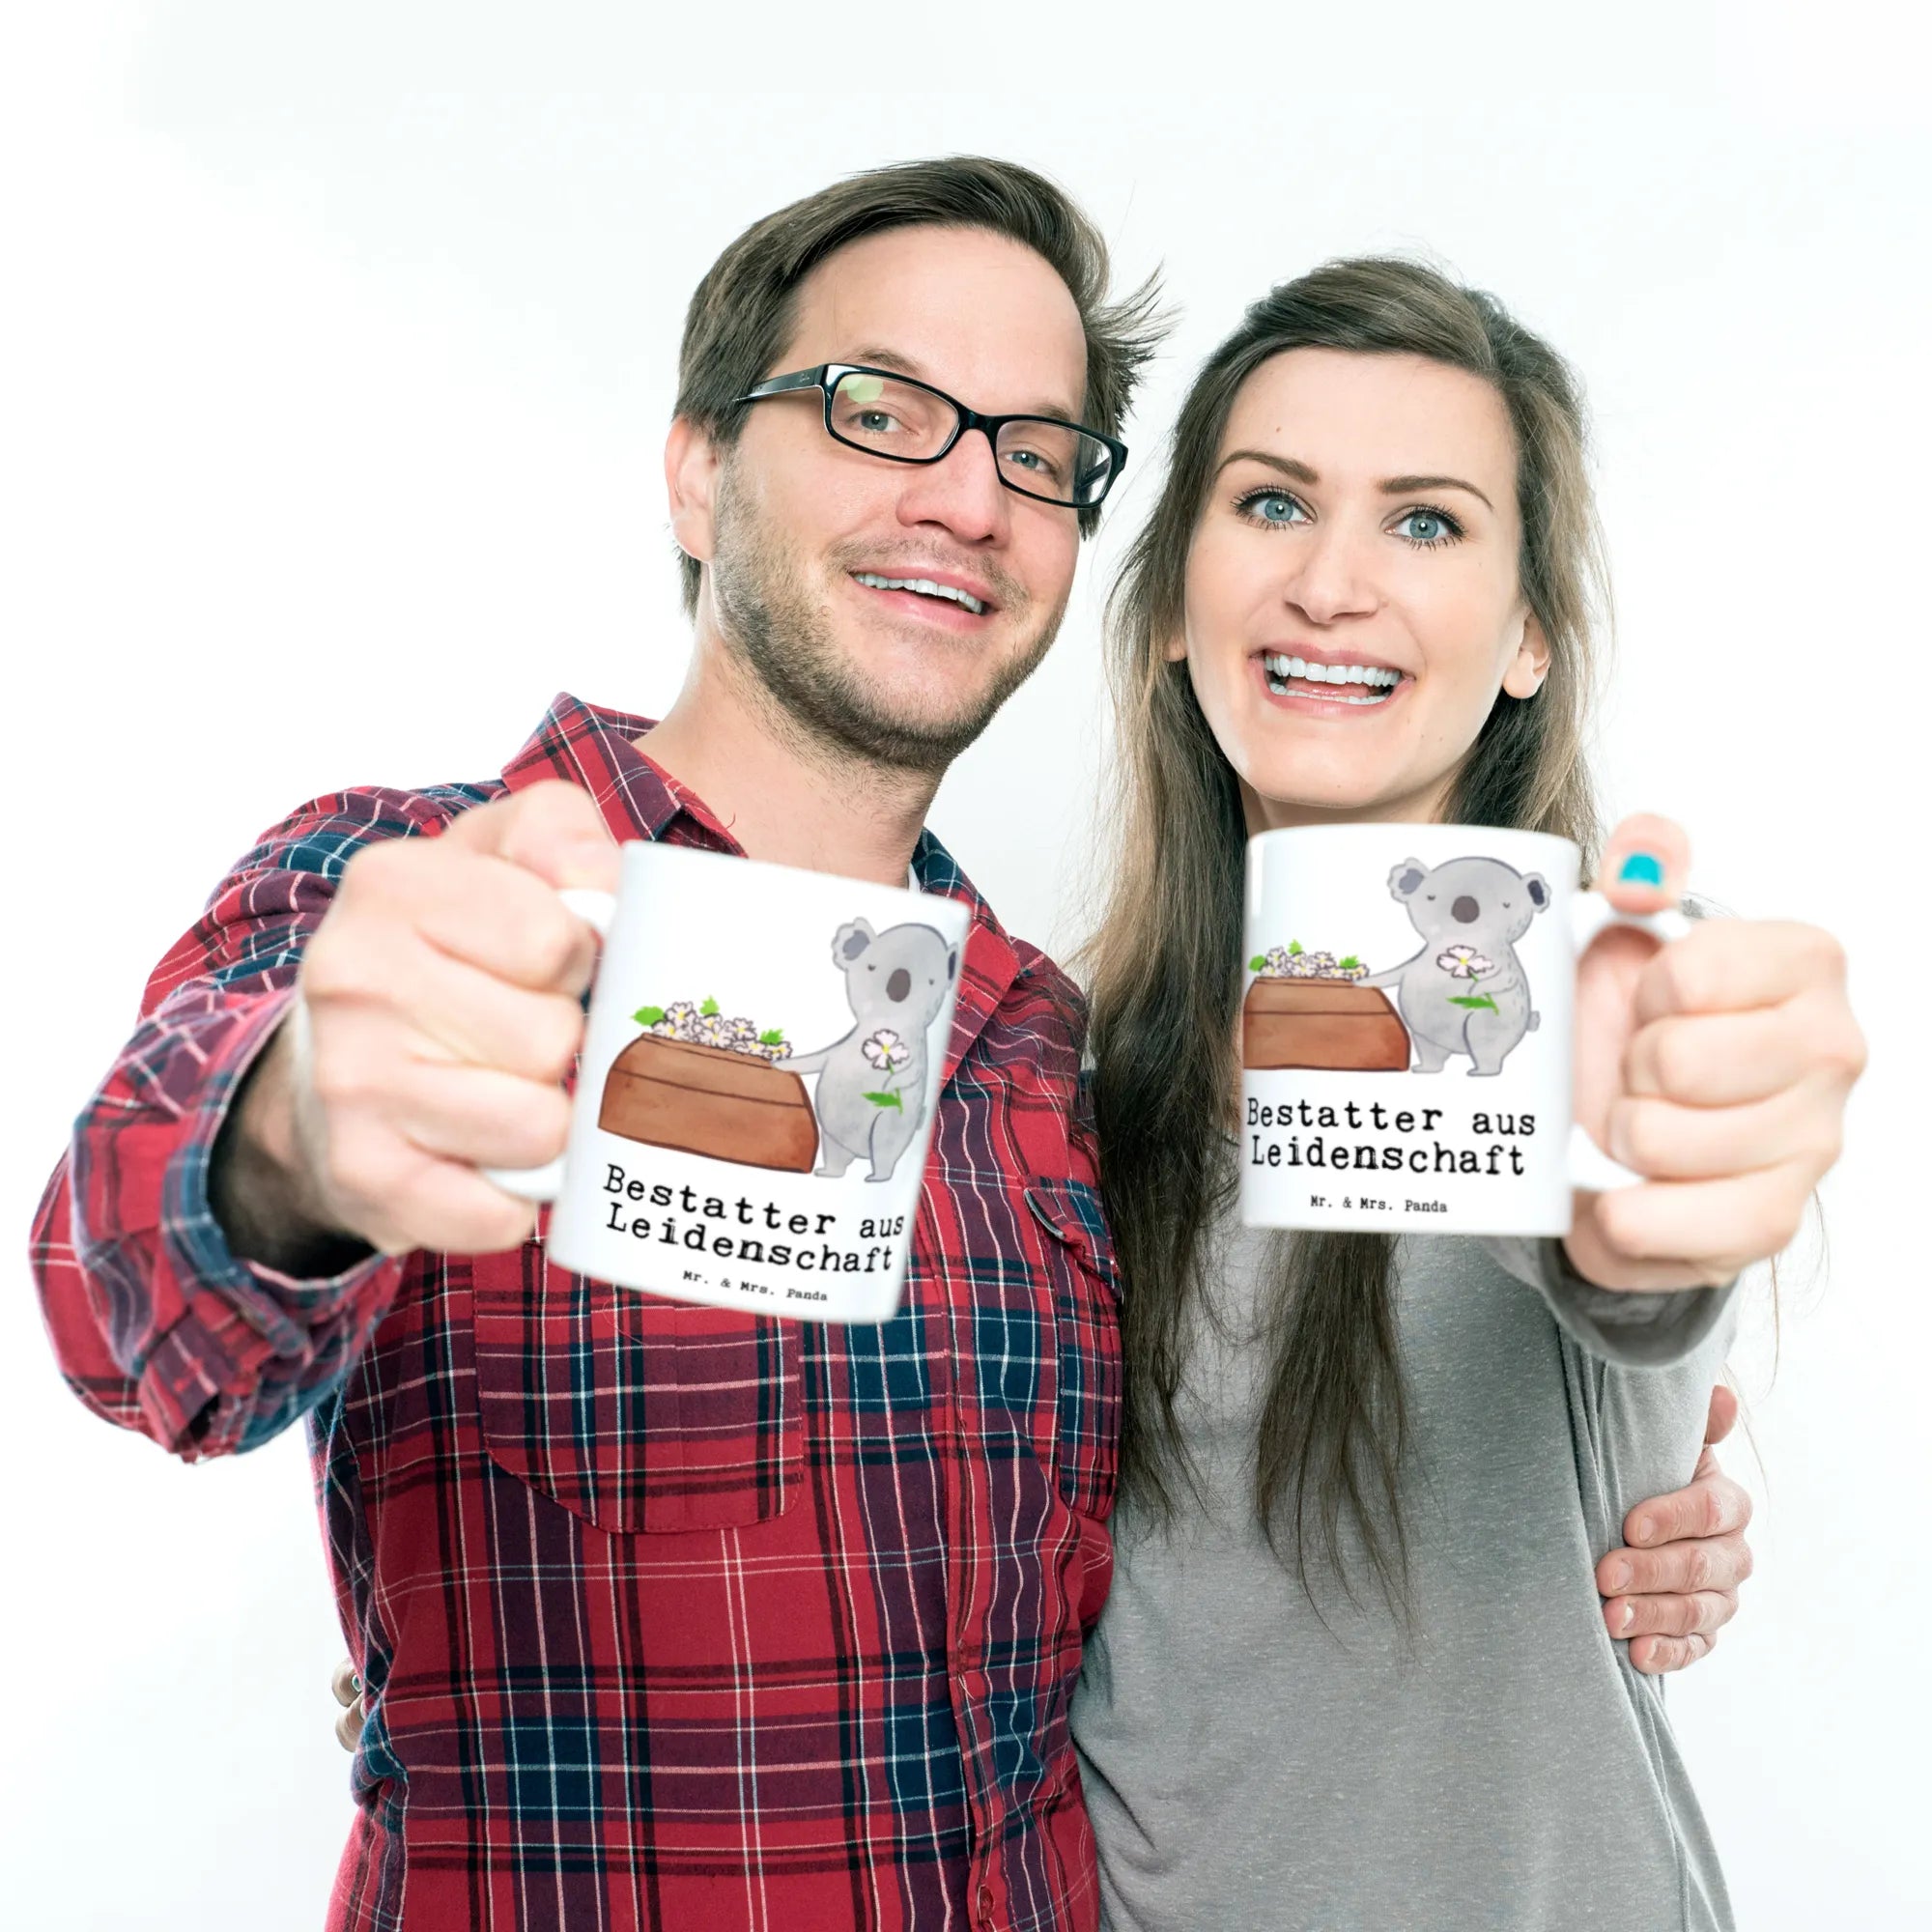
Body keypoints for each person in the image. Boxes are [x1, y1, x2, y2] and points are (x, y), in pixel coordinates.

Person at [34, 158, 1753, 1932]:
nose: (966, 497)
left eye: (1034, 451)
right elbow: (122, 1291)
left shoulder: (1046, 1056)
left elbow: (1538, 1307)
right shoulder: (417, 893)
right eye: (880, 409)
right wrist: (296, 1138)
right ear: (699, 468)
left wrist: (1648, 1419)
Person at [1071, 258, 1865, 1929]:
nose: (1332, 583)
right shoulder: (1061, 1079)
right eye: (1272, 503)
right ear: (1170, 606)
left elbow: (1627, 1254)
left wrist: (1666, 1180)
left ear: (1527, 639)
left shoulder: (1597, 1001)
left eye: (1426, 522)